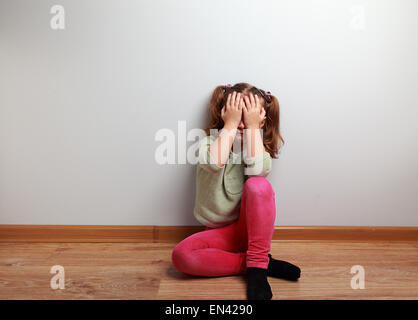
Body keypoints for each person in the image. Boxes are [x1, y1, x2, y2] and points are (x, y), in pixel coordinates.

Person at [171, 82, 301, 300]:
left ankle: (258, 268)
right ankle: (255, 264)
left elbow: (259, 171)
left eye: (248, 117)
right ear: (224, 114)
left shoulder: (258, 148)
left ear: (260, 118)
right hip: (218, 236)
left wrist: (252, 129)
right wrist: (229, 127)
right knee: (181, 256)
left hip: (251, 233)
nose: (242, 124)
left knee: (258, 185)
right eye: (236, 115)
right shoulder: (208, 144)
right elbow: (214, 163)